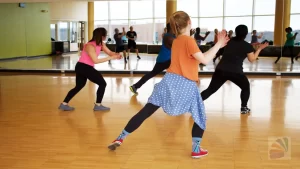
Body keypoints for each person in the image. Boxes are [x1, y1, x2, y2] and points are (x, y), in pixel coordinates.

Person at [107, 11, 229, 158]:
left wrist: (217, 45)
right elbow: (204, 60)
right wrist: (219, 44)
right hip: (185, 83)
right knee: (200, 114)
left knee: (146, 111)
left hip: (169, 80)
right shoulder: (189, 41)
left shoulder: (177, 40)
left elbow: (198, 56)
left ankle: (120, 137)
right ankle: (196, 149)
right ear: (189, 22)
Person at [201, 25, 269, 114]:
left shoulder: (229, 41)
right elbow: (252, 59)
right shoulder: (246, 46)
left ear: (235, 32)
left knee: (210, 90)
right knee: (245, 87)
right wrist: (260, 48)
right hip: (235, 72)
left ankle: (193, 104)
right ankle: (244, 108)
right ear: (246, 34)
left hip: (220, 70)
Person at [58, 28, 122, 111]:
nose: (106, 36)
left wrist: (116, 55)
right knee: (102, 83)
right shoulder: (90, 46)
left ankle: (64, 104)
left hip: (83, 67)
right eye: (105, 35)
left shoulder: (101, 43)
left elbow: (109, 52)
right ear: (102, 36)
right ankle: (98, 105)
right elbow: (95, 61)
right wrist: (111, 58)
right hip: (84, 67)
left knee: (79, 86)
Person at [129, 23, 175, 94]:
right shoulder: (168, 37)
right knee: (154, 73)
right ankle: (135, 86)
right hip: (165, 60)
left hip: (165, 59)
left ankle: (135, 86)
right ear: (172, 28)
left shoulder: (171, 36)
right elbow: (178, 44)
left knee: (173, 74)